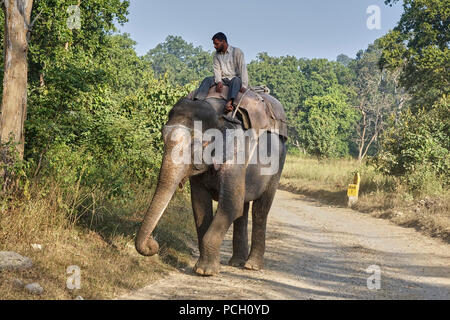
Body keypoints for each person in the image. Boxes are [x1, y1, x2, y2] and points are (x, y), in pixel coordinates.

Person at [194, 32, 249, 113]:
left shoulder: (237, 52)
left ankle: (229, 103)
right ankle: (197, 101)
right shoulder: (216, 55)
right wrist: (219, 81)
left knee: (236, 80)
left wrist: (244, 85)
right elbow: (217, 70)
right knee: (207, 79)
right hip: (223, 79)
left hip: (235, 79)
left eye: (216, 44)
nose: (214, 46)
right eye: (214, 44)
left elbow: (243, 68)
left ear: (223, 42)